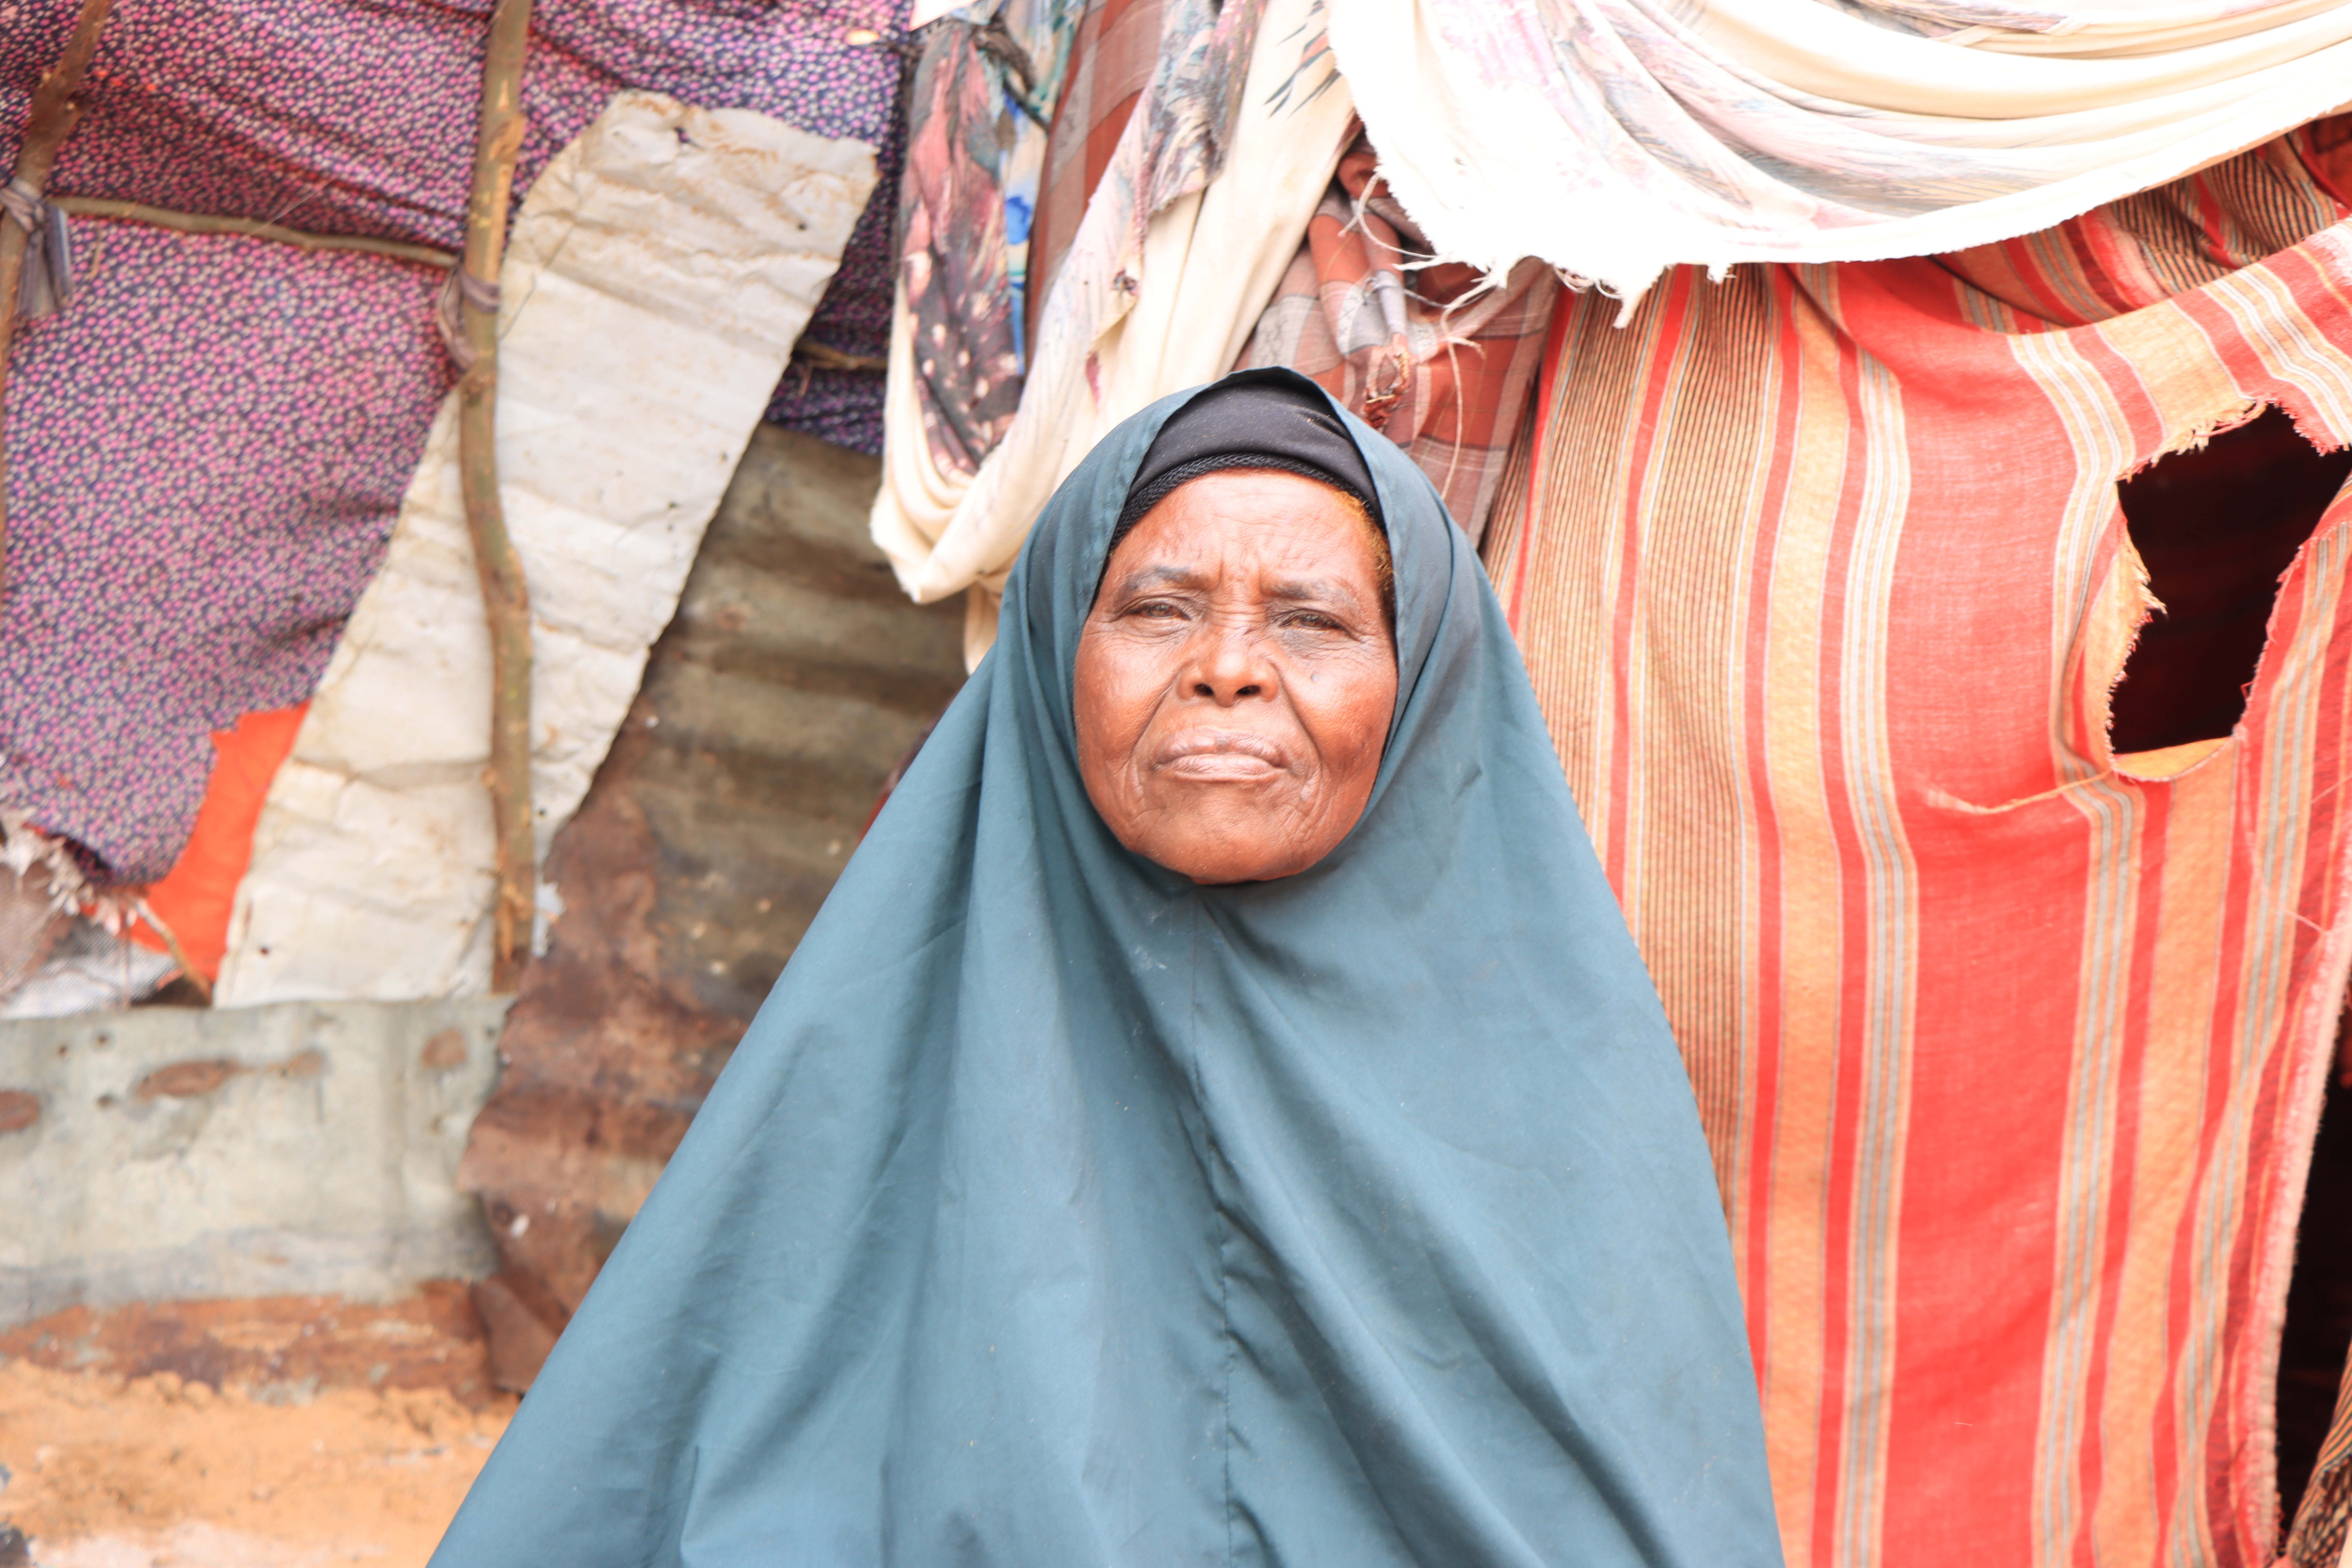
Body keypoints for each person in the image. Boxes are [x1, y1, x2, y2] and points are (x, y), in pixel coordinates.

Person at [429, 369, 1783, 1566]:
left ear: (1423, 679)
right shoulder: (878, 1055)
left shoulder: (1568, 1110)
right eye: (1157, 608)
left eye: (1310, 620)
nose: (1230, 669)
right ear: (1051, 650)